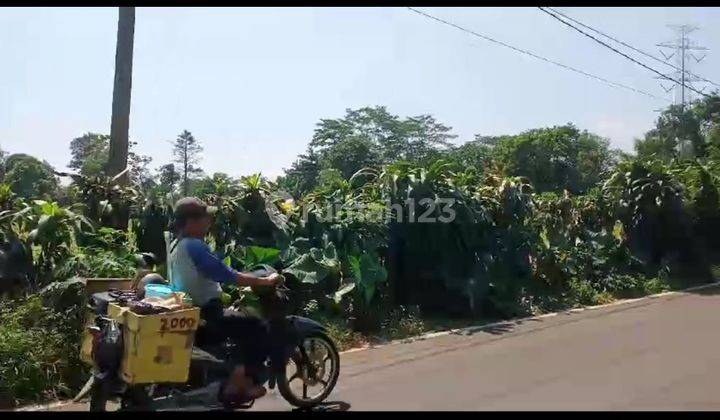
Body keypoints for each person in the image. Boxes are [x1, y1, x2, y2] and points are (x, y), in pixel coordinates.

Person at [167, 197, 282, 405]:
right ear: (192, 222)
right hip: (207, 314)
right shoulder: (194, 246)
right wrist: (264, 281)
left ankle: (228, 376)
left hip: (191, 312)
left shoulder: (176, 245)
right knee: (256, 326)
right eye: (205, 218)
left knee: (237, 322)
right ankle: (239, 381)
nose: (209, 223)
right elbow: (227, 274)